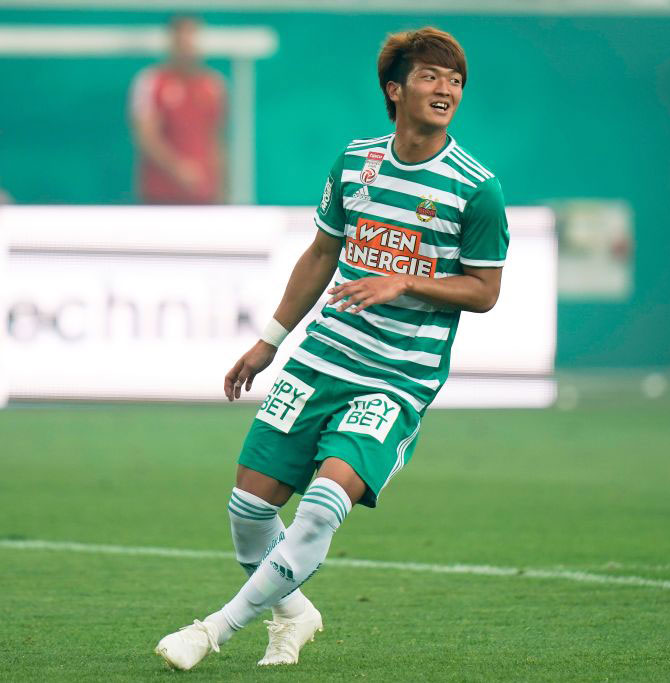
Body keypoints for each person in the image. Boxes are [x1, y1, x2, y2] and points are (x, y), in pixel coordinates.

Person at [155, 26, 509, 670]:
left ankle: (212, 630)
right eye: (430, 76)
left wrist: (406, 281)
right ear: (395, 89)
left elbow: (485, 290)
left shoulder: (476, 188)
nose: (446, 89)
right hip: (321, 360)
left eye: (455, 80)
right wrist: (269, 342)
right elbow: (322, 253)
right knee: (248, 511)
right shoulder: (355, 162)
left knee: (320, 508)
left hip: (396, 379)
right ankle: (295, 614)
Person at [129, 15, 227, 204]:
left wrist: (222, 189)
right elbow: (146, 137)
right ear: (171, 42)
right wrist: (178, 169)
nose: (187, 47)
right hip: (160, 194)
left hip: (203, 195)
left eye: (191, 39)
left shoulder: (213, 85)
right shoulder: (152, 82)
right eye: (181, 40)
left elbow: (216, 140)